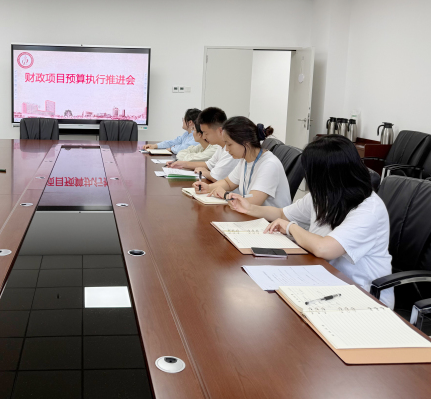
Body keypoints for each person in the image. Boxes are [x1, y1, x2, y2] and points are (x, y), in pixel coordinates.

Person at [226, 135, 394, 308]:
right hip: (322, 277)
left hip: (360, 294)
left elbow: (324, 248)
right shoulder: (326, 194)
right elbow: (283, 214)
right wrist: (249, 208)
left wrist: (290, 228)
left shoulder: (368, 209)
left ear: (327, 174)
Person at [193, 116, 291, 208]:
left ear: (245, 142)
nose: (226, 149)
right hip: (250, 216)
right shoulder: (245, 160)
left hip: (268, 219)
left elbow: (252, 203)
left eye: (229, 144)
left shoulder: (269, 165)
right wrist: (208, 188)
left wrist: (225, 195)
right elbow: (228, 183)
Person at [167, 107, 237, 181]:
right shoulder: (220, 147)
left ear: (220, 131)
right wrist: (182, 164)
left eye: (206, 133)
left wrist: (206, 173)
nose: (203, 137)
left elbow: (216, 177)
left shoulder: (230, 150)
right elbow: (209, 164)